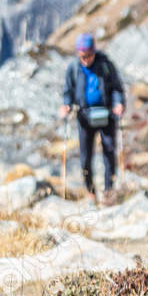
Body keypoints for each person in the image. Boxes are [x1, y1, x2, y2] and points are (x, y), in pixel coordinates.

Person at [61, 32, 126, 204]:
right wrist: (67, 104)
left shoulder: (105, 65)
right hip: (84, 117)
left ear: (94, 52)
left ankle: (108, 191)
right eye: (82, 56)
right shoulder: (73, 68)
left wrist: (118, 103)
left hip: (107, 116)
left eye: (88, 56)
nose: (86, 60)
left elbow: (117, 88)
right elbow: (68, 91)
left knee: (109, 152)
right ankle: (90, 191)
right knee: (85, 157)